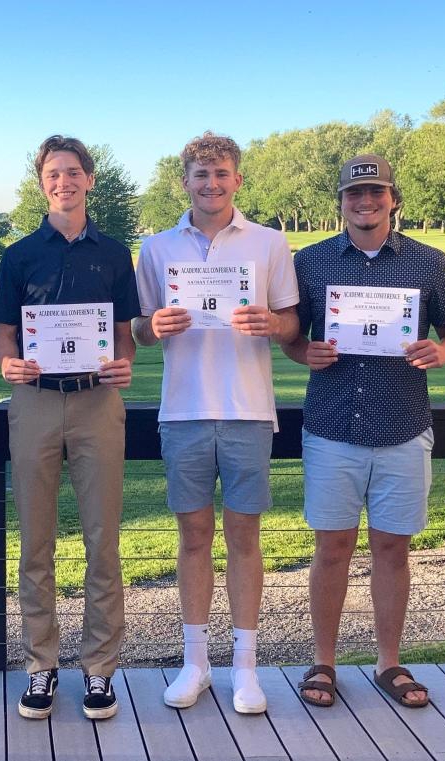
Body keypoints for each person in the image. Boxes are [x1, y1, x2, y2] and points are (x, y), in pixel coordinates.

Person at [283, 154, 445, 709]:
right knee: (332, 546)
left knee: (393, 548)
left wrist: (441, 352)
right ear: (341, 202)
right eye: (354, 194)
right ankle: (324, 662)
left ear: (393, 198)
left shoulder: (428, 262)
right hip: (332, 427)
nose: (365, 203)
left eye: (376, 193)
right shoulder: (312, 262)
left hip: (404, 425)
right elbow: (293, 337)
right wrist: (304, 352)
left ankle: (389, 664)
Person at [133, 132, 299, 714]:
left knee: (245, 539)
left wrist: (270, 324)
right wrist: (152, 326)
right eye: (201, 175)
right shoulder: (155, 248)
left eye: (221, 174)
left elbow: (291, 323)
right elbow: (139, 326)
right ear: (185, 182)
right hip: (182, 411)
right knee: (194, 538)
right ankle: (195, 663)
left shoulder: (271, 243)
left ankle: (246, 669)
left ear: (238, 180)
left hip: (249, 410)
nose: (211, 184)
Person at [0, 135, 139, 721]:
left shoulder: (114, 251)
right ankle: (41, 665)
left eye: (73, 172)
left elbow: (124, 330)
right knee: (36, 541)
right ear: (41, 183)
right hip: (34, 402)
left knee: (102, 539)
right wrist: (7, 362)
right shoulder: (20, 252)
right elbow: (5, 332)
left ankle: (100, 670)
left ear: (89, 180)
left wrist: (124, 360)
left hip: (98, 403)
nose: (64, 182)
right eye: (54, 174)